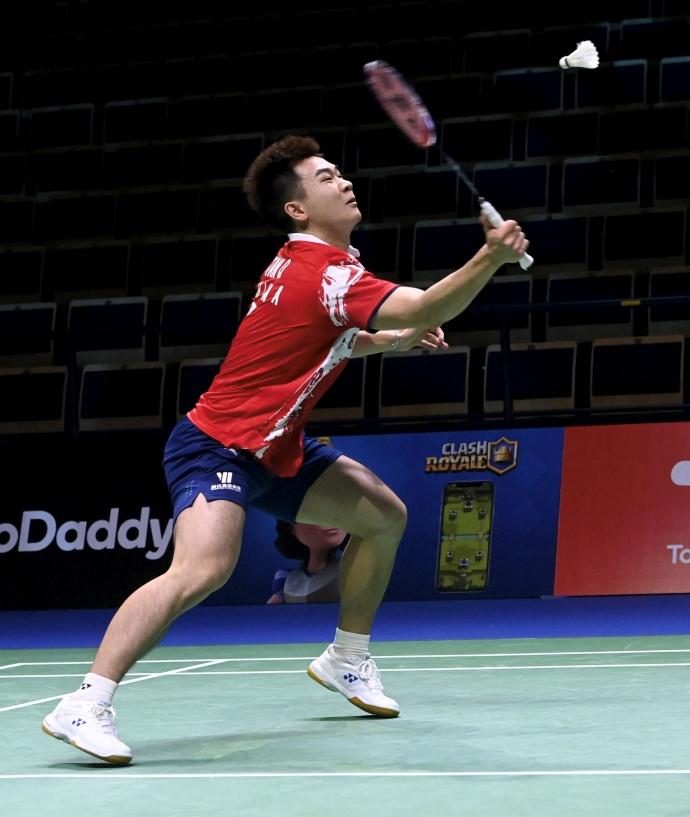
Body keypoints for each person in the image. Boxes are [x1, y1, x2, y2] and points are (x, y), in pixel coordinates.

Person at [40, 135, 530, 765]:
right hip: (216, 445)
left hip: (277, 450)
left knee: (384, 516)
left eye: (339, 170)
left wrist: (389, 342)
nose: (344, 181)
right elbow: (428, 302)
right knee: (202, 569)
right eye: (326, 177)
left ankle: (346, 659)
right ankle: (86, 702)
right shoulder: (324, 271)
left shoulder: (314, 267)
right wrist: (489, 258)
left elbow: (329, 341)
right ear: (298, 208)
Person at [267, 521, 348, 604]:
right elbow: (267, 613)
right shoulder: (286, 580)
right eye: (314, 515)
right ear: (290, 528)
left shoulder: (351, 573)